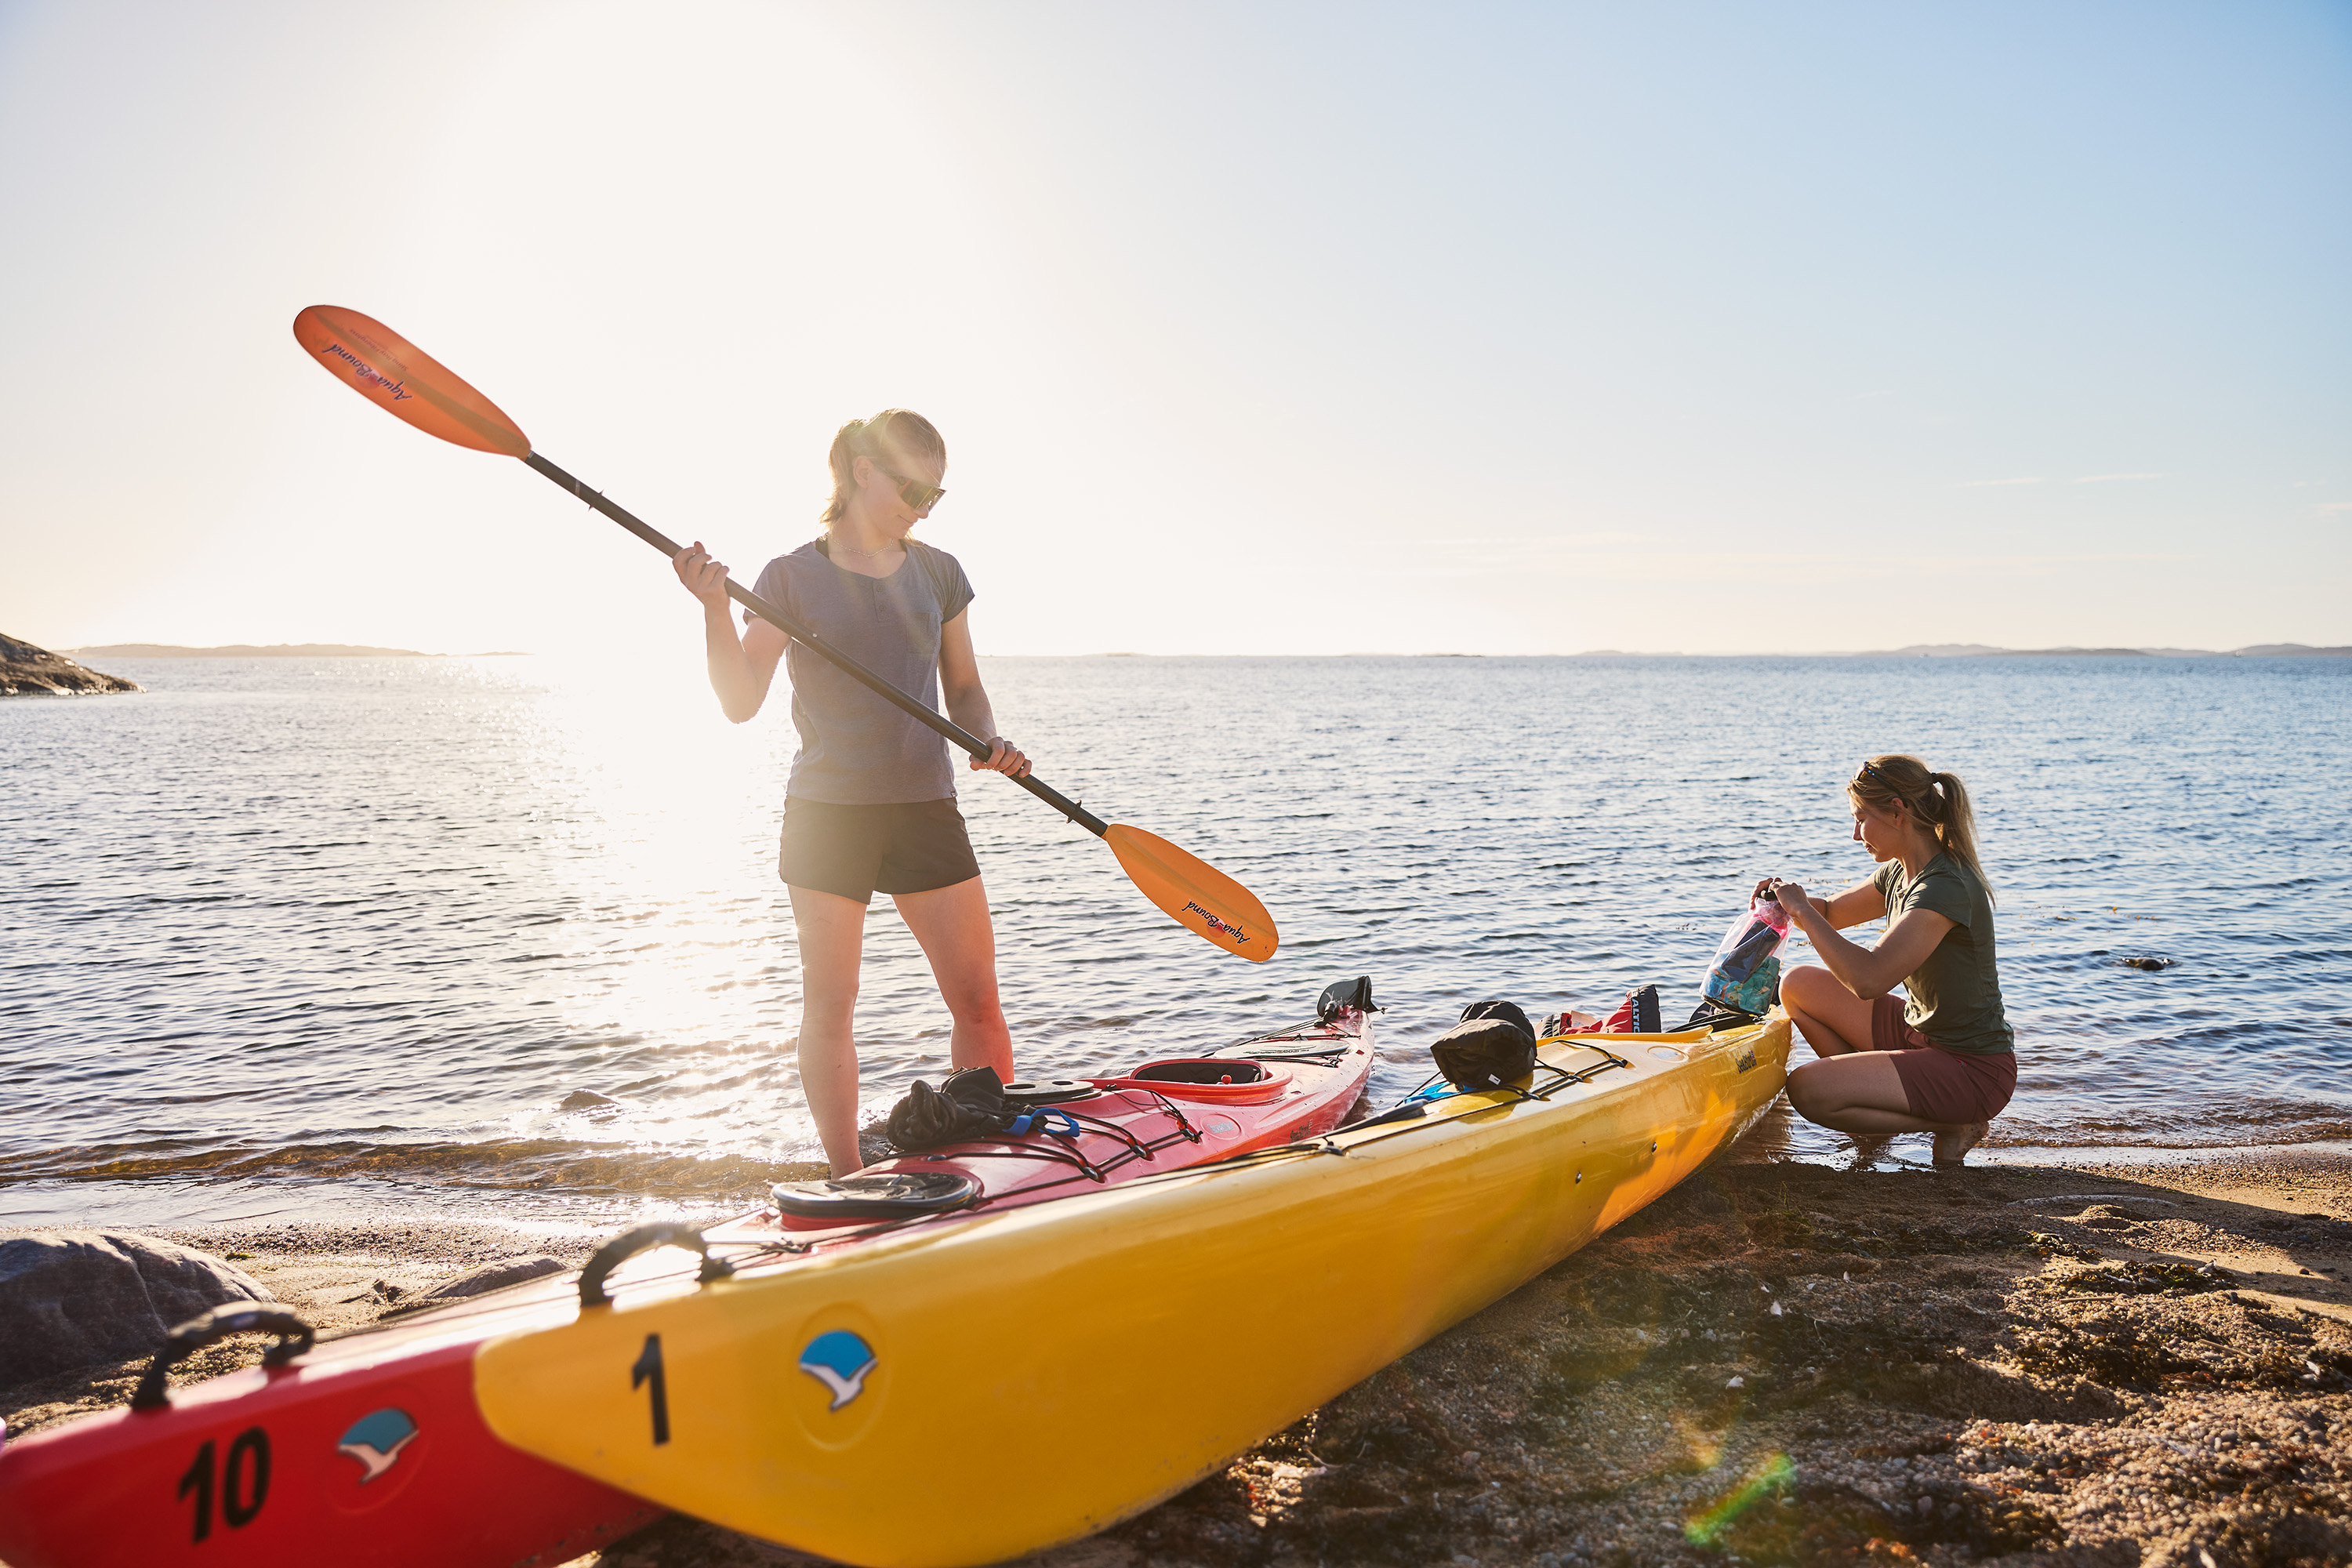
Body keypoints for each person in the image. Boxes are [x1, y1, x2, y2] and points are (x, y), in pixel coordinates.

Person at [671, 409, 1030, 1177]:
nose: (924, 505)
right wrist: (711, 609)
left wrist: (989, 739)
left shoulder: (939, 572)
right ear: (864, 470)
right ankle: (844, 1178)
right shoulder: (789, 577)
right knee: (832, 1009)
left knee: (977, 1003)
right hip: (829, 816)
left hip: (925, 804)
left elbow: (964, 690)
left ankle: (989, 1160)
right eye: (912, 486)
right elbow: (739, 699)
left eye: (937, 493)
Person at [1762, 754, 2016, 1167]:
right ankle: (1875, 1115)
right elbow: (1832, 913)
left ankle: (1955, 1122)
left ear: (1898, 812)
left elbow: (1869, 980)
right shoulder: (1900, 872)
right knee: (1797, 984)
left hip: (1971, 1069)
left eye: (1861, 819)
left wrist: (1804, 913)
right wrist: (1785, 902)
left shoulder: (1944, 887)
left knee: (1808, 1090)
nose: (1854, 833)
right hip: (1920, 1037)